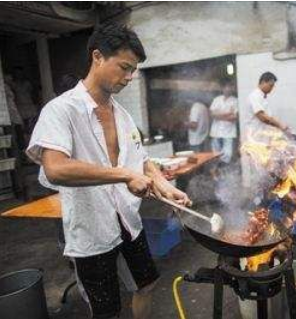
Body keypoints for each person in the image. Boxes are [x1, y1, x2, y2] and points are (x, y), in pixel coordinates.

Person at [26, 23, 191, 319]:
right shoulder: (61, 110)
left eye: (134, 70)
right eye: (124, 68)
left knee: (148, 283)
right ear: (98, 56)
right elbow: (55, 168)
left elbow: (140, 159)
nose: (129, 77)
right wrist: (124, 176)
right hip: (92, 230)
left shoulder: (124, 116)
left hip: (128, 221)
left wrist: (163, 185)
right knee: (107, 310)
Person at [242, 72, 289, 141]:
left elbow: (268, 117)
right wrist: (279, 124)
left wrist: (279, 125)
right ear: (263, 82)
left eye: (273, 86)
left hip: (261, 137)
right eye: (270, 85)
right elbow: (262, 117)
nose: (272, 88)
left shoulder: (262, 97)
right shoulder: (255, 96)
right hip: (254, 137)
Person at [209, 78, 238, 174]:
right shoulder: (217, 99)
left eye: (230, 87)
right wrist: (227, 113)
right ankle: (217, 173)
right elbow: (212, 115)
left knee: (227, 154)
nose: (228, 89)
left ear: (232, 88)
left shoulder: (235, 101)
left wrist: (219, 115)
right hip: (216, 132)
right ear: (222, 88)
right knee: (215, 154)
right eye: (226, 87)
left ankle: (221, 171)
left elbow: (234, 117)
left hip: (228, 133)